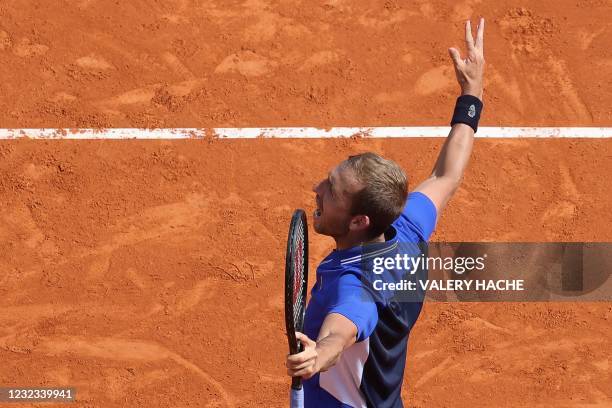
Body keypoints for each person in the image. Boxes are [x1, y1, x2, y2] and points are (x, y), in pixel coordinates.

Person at [286, 18, 485, 407]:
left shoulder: (355, 286)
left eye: (332, 190)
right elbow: (448, 175)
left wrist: (318, 356)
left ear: (360, 221)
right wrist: (472, 93)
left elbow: (340, 333)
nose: (318, 190)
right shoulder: (405, 227)